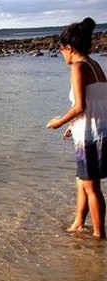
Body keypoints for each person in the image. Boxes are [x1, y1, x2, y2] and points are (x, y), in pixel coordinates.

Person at [46, 17, 107, 239]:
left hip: (92, 136)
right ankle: (78, 224)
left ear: (69, 48)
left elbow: (80, 106)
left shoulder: (78, 67)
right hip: (95, 131)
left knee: (92, 188)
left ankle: (100, 236)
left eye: (61, 49)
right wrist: (73, 126)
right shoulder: (95, 65)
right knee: (82, 182)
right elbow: (97, 102)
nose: (61, 54)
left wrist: (58, 123)